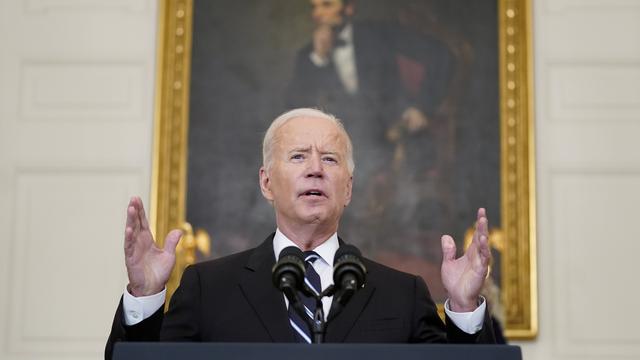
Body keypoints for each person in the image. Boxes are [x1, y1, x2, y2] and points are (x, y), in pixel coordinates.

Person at [105, 108, 494, 359]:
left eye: (329, 159)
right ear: (267, 182)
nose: (315, 169)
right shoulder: (209, 288)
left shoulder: (403, 294)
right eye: (297, 157)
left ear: (349, 188)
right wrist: (144, 298)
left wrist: (463, 308)